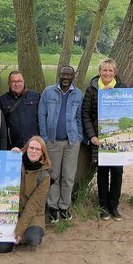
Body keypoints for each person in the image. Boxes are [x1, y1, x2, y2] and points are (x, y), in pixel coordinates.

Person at [83, 58, 128, 221]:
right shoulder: (92, 89)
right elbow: (86, 115)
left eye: (110, 71)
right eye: (104, 70)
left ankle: (114, 206)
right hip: (99, 139)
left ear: (114, 72)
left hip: (117, 139)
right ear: (99, 72)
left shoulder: (122, 88)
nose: (107, 73)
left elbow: (129, 109)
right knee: (102, 173)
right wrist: (92, 136)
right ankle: (103, 207)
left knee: (117, 172)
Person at [38, 65, 84, 223]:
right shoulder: (48, 92)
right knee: (53, 176)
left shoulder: (78, 94)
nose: (65, 77)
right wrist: (44, 138)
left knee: (68, 177)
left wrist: (79, 136)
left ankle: (64, 207)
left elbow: (79, 117)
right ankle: (52, 207)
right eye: (63, 74)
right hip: (53, 141)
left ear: (73, 76)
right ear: (59, 74)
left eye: (69, 74)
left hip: (72, 142)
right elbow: (41, 115)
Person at [11, 136, 52, 249]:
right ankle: (15, 237)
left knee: (33, 239)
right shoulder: (17, 162)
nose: (34, 151)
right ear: (26, 148)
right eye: (31, 148)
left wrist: (19, 231)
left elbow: (32, 206)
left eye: (37, 149)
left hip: (34, 214)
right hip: (14, 211)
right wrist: (10, 156)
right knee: (3, 248)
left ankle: (22, 236)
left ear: (42, 153)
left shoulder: (44, 176)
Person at [0, 70, 41, 150]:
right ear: (8, 83)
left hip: (34, 145)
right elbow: (1, 126)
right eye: (13, 81)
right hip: (13, 146)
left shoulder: (35, 96)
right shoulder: (3, 100)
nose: (17, 84)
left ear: (24, 82)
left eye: (19, 81)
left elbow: (42, 119)